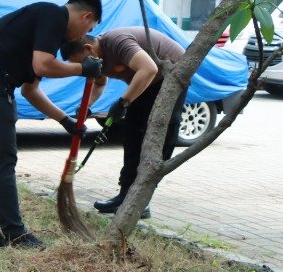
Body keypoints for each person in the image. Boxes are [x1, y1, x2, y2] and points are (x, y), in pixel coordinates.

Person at [0, 0, 105, 250]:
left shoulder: (45, 26)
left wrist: (66, 121)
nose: (84, 36)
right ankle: (15, 233)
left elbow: (30, 90)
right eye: (88, 29)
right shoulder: (53, 15)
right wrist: (82, 69)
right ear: (86, 16)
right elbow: (43, 65)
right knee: (3, 160)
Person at [61, 26, 188, 219]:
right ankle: (125, 195)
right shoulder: (97, 59)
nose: (83, 68)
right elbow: (100, 82)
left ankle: (141, 201)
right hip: (148, 81)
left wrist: (123, 101)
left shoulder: (116, 41)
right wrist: (87, 105)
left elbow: (149, 69)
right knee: (132, 135)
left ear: (89, 49)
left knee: (159, 135)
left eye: (81, 63)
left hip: (172, 73)